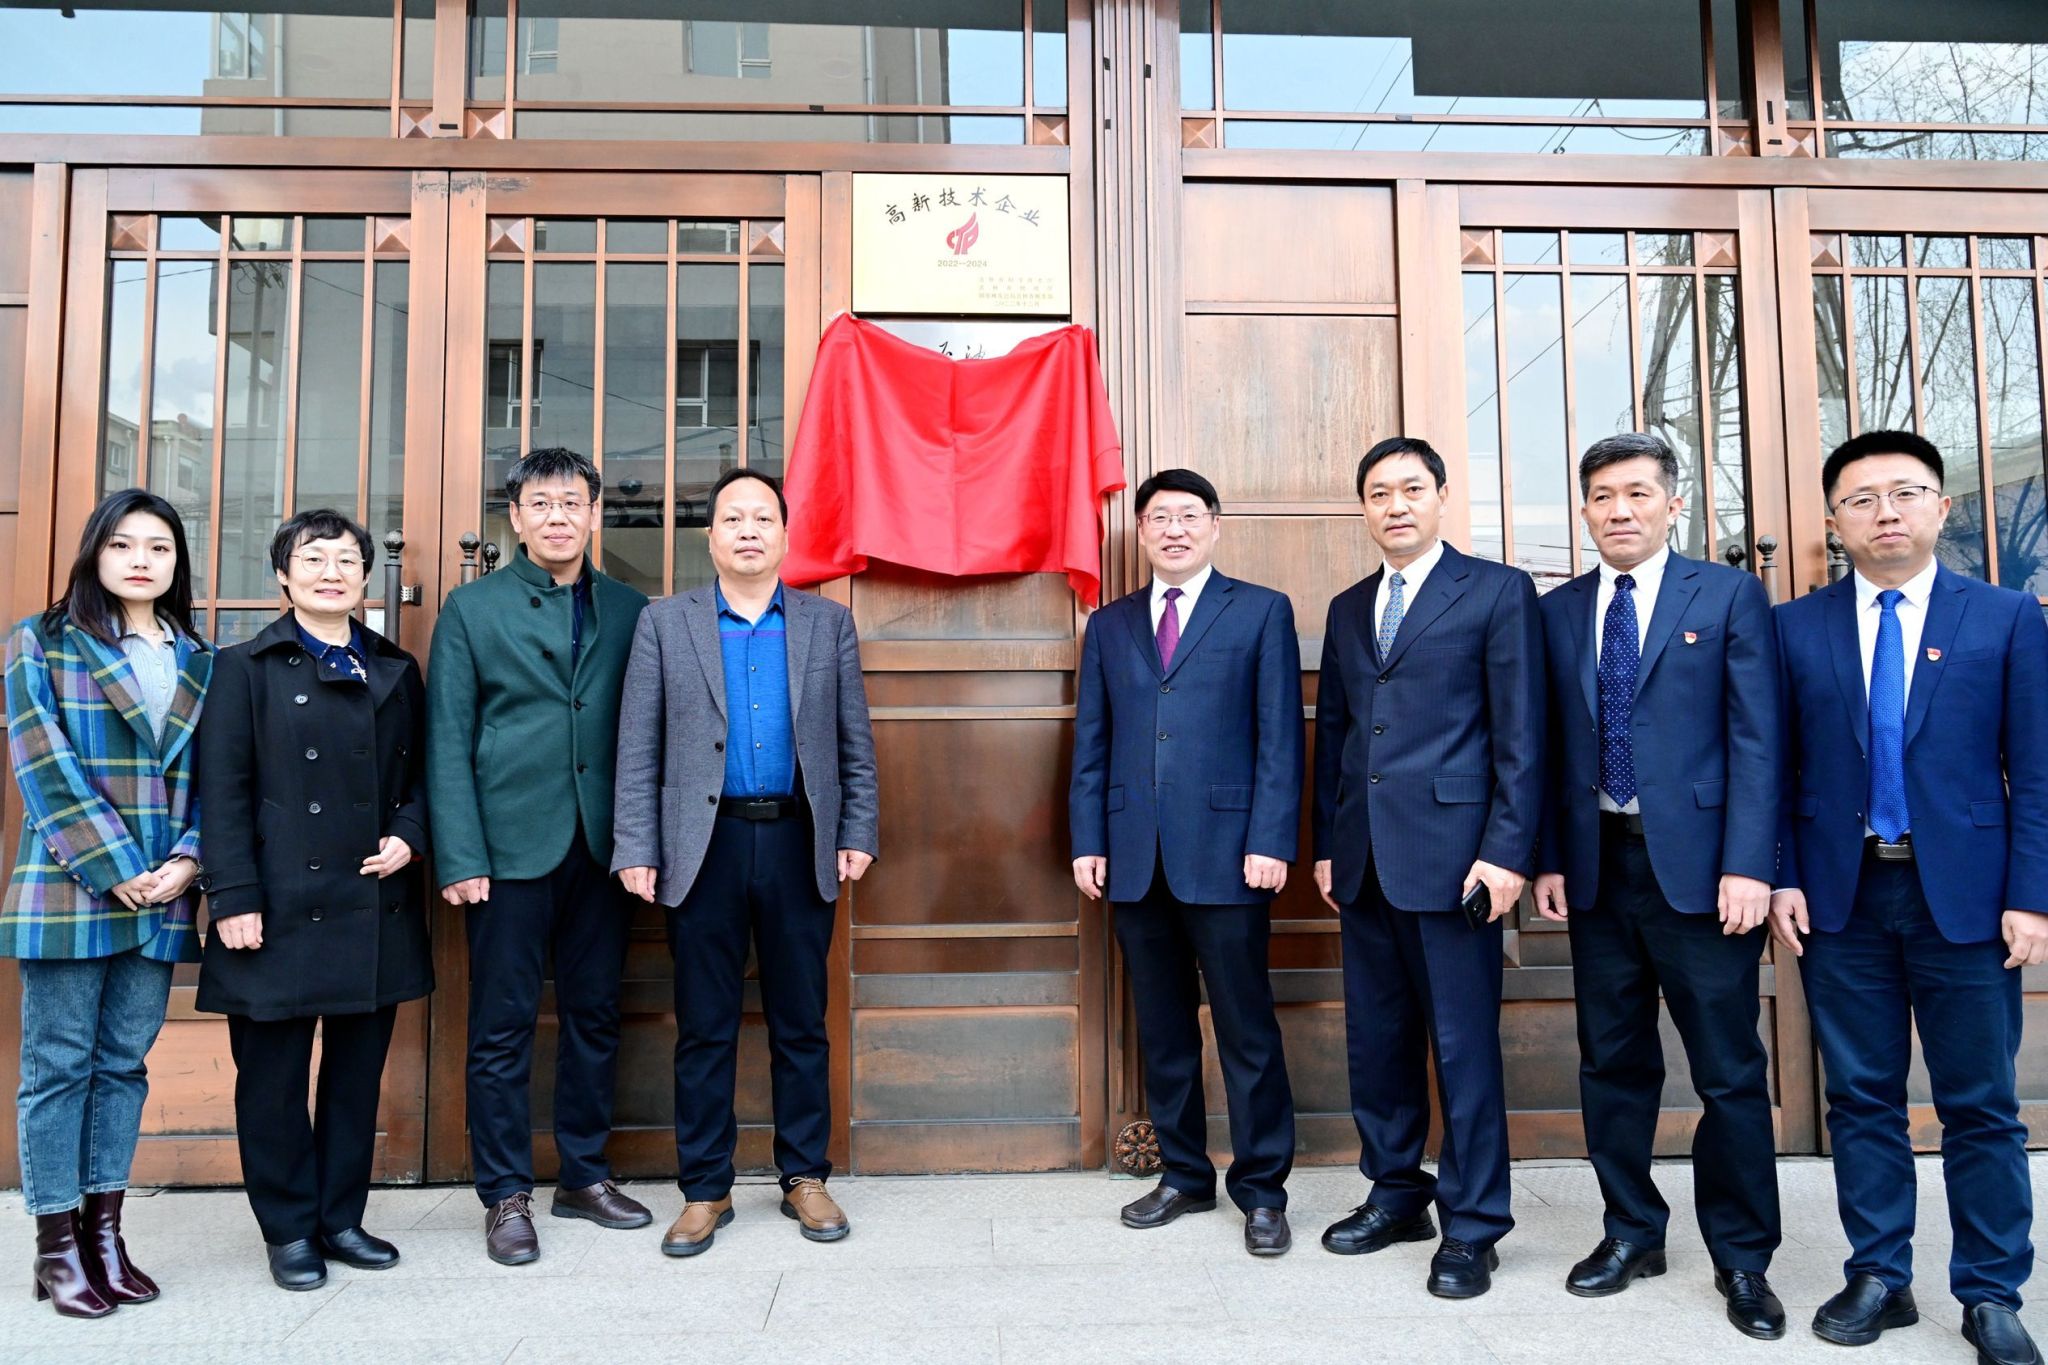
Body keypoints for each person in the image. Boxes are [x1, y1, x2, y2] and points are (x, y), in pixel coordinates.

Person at [1771, 431, 2048, 1365]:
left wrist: (2033, 894)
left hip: (1966, 899)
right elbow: (1774, 768)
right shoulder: (1794, 627)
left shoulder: (2005, 617)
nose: (1884, 512)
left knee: (1981, 1103)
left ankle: (1992, 1289)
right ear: (1834, 520)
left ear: (1941, 506)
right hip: (1841, 896)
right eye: (1861, 499)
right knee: (1860, 1097)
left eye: (1904, 492)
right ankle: (1880, 1273)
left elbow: (2038, 770)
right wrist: (1782, 873)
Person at [1531, 433, 1784, 1339]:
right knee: (1612, 1063)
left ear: (1674, 504)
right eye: (1603, 496)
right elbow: (1544, 746)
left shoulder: (1726, 595)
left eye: (1638, 492)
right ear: (1585, 511)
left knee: (1728, 1069)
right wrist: (1549, 857)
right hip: (1598, 868)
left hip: (1707, 874)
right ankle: (1632, 1230)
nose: (1620, 509)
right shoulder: (1557, 611)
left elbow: (1759, 738)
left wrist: (1751, 862)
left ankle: (1743, 1256)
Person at [614, 467, 878, 1257]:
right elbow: (638, 746)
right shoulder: (666, 623)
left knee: (801, 1020)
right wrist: (637, 844)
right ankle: (705, 1188)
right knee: (704, 1025)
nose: (749, 530)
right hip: (704, 846)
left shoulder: (827, 623)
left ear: (786, 535)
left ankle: (805, 1174)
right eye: (734, 518)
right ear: (712, 536)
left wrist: (858, 828)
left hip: (799, 840)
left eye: (763, 517)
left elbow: (855, 742)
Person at [1311, 436, 1542, 1299]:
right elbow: (1337, 736)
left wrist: (1507, 851)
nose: (1396, 505)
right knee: (1378, 1040)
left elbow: (1521, 734)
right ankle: (1396, 1191)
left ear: (1442, 496)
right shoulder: (1349, 606)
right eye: (1379, 492)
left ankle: (1473, 1224)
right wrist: (1327, 845)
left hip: (1458, 862)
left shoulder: (1496, 591)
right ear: (1365, 509)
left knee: (1462, 1046)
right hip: (1365, 859)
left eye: (1411, 488)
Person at [194, 509, 432, 1291]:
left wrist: (409, 834)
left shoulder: (395, 666)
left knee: (355, 1075)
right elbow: (222, 791)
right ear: (283, 576)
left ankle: (340, 1217)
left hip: (372, 895)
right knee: (272, 1079)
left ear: (365, 577)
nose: (332, 572)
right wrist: (233, 895)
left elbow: (422, 775)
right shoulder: (243, 667)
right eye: (313, 558)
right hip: (275, 900)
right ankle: (289, 1227)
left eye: (346, 560)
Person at [427, 447, 652, 1264]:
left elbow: (647, 730)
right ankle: (505, 1193)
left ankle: (584, 1174)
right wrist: (460, 854)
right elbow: (447, 736)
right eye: (541, 503)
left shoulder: (631, 607)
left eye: (572, 502)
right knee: (502, 1025)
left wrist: (642, 840)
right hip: (505, 847)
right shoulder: (470, 608)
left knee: (595, 1014)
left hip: (601, 845)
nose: (558, 516)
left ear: (595, 513)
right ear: (515, 517)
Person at [1069, 468, 1302, 1257]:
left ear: (1214, 525)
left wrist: (1271, 838)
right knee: (1164, 1029)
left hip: (1231, 856)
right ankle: (1184, 1174)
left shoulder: (1261, 610)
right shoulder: (1110, 624)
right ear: (1141, 531)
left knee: (1245, 1030)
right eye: (1159, 517)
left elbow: (1280, 737)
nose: (1174, 529)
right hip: (1136, 857)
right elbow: (1092, 740)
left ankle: (1263, 1191)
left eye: (1189, 515)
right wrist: (1089, 838)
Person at [3, 489, 210, 1317]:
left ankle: (105, 1236)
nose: (140, 560)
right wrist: (114, 863)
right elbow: (41, 761)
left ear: (177, 561)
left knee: (123, 1063)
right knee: (59, 1064)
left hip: (163, 891)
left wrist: (190, 857)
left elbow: (219, 773)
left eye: (158, 547)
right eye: (122, 544)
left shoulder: (200, 654)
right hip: (69, 883)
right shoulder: (41, 639)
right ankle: (56, 1247)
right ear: (95, 552)